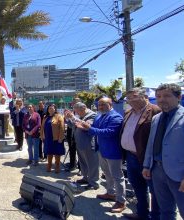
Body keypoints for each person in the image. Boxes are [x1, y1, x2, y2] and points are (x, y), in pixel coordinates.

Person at [142, 83, 184, 219]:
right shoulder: (156, 118)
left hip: (179, 174)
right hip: (157, 171)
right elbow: (151, 143)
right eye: (158, 96)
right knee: (166, 211)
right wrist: (147, 165)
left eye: (167, 96)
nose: (161, 99)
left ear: (179, 97)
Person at [77, 97, 125, 213]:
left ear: (110, 104)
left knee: (117, 177)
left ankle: (121, 201)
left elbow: (109, 132)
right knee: (107, 174)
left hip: (113, 152)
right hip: (102, 150)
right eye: (99, 105)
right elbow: (94, 127)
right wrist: (86, 126)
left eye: (103, 104)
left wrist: (89, 128)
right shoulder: (99, 116)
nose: (100, 107)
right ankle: (110, 193)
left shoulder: (116, 117)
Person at [119, 88, 161, 220]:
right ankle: (142, 214)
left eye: (134, 96)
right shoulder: (128, 112)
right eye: (128, 98)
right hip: (131, 157)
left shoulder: (155, 111)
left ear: (145, 97)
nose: (131, 100)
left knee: (155, 191)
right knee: (138, 188)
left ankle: (155, 217)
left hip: (148, 159)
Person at [65, 102, 99, 190]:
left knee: (92, 164)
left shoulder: (92, 115)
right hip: (80, 143)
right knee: (83, 163)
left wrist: (73, 117)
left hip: (88, 143)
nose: (77, 113)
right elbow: (73, 126)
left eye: (78, 111)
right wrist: (68, 119)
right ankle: (85, 178)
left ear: (84, 108)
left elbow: (86, 126)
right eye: (76, 111)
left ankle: (94, 183)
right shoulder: (80, 116)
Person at [41, 104, 65, 173]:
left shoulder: (59, 116)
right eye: (49, 108)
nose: (50, 110)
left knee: (57, 153)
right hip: (48, 138)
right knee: (49, 152)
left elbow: (62, 128)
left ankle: (57, 166)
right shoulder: (45, 117)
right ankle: (49, 165)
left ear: (55, 109)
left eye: (52, 108)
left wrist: (61, 138)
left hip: (56, 138)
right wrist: (42, 135)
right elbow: (42, 127)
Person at [65, 97, 81, 171]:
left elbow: (78, 124)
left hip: (78, 134)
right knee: (72, 150)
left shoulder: (82, 113)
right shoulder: (72, 112)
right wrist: (66, 118)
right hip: (70, 133)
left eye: (76, 103)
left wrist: (71, 118)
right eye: (73, 103)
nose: (74, 104)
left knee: (80, 152)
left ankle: (81, 168)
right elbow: (70, 124)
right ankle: (72, 164)